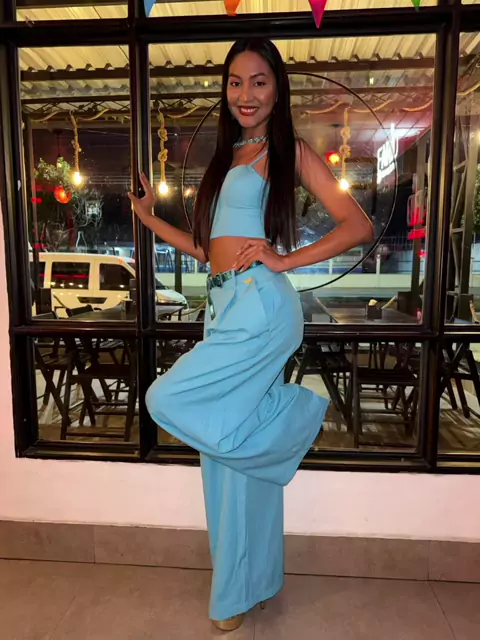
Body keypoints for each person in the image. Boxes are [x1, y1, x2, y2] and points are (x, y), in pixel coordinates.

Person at [128, 38, 373, 632]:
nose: (246, 94)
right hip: (223, 307)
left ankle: (293, 422)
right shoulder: (229, 156)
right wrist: (149, 218)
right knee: (223, 459)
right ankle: (249, 584)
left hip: (260, 308)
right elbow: (206, 250)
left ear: (277, 90)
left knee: (164, 398)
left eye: (259, 82)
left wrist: (284, 260)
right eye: (236, 82)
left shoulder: (287, 152)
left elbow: (357, 225)